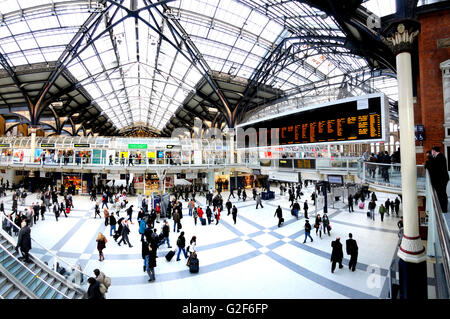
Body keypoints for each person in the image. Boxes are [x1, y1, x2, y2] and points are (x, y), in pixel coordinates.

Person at [426, 146, 449, 212]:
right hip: (442, 179)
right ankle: (443, 208)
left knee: (442, 194)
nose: (432, 152)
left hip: (441, 179)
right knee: (442, 194)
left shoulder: (439, 157)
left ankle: (444, 209)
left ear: (434, 151)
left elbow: (434, 166)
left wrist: (429, 160)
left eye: (432, 151)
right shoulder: (439, 156)